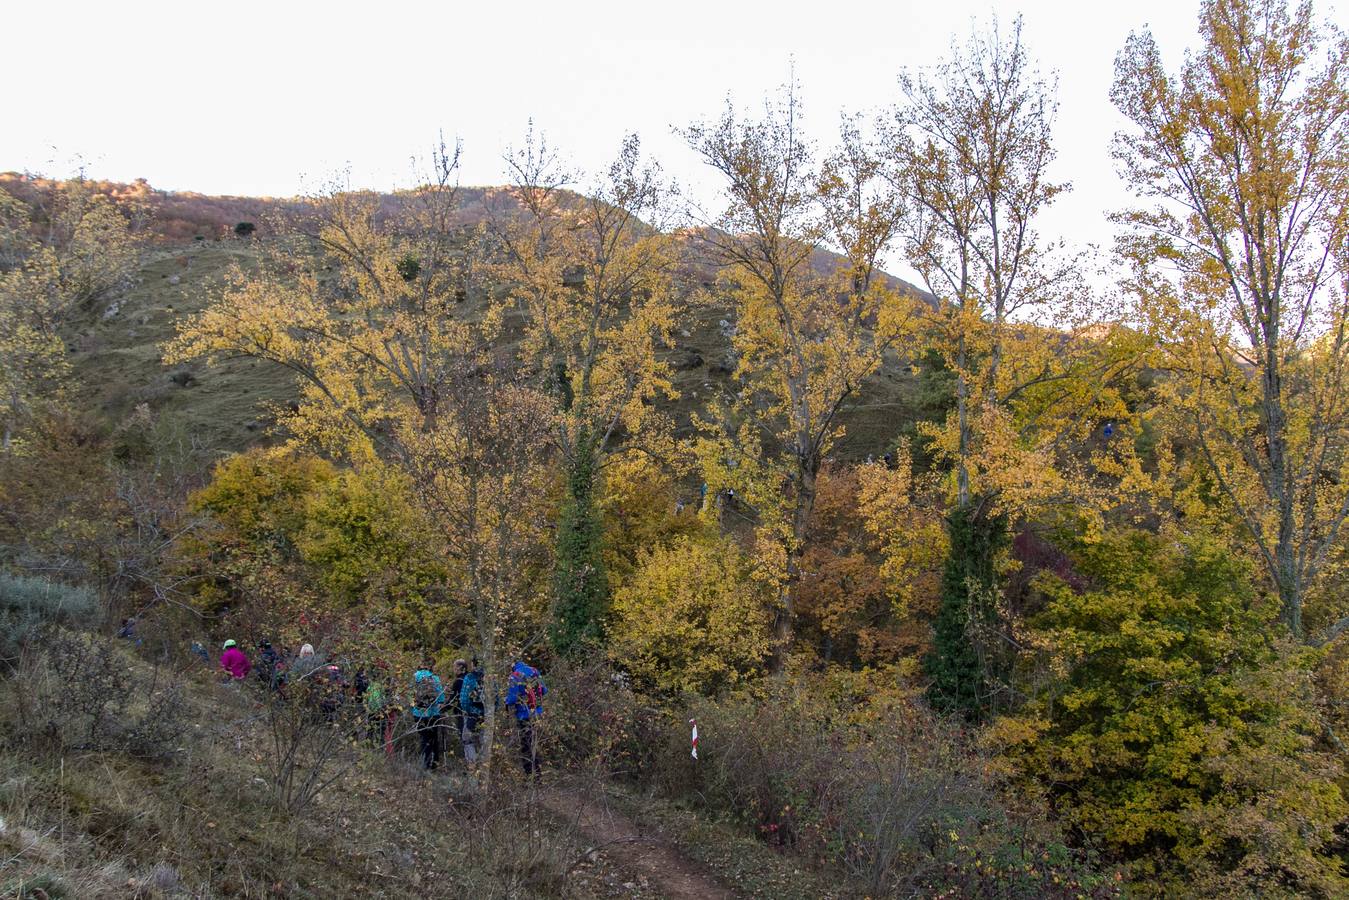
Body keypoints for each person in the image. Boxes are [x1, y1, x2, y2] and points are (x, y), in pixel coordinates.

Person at [505, 660, 547, 777]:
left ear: (512, 666)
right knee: (534, 744)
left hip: (524, 715)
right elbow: (544, 690)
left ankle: (532, 777)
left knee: (526, 746)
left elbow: (512, 699)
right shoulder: (534, 671)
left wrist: (506, 700)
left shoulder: (515, 676)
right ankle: (537, 774)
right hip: (538, 713)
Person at [410, 660, 446, 771]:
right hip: (434, 714)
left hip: (419, 713)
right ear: (429, 668)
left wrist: (414, 708)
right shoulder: (435, 678)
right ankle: (434, 764)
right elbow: (441, 698)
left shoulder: (415, 678)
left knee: (424, 738)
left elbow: (410, 696)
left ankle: (425, 764)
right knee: (434, 738)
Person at [458, 658, 485, 765]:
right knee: (483, 740)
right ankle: (484, 765)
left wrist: (467, 710)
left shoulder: (469, 677)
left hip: (472, 714)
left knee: (467, 738)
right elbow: (495, 698)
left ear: (474, 665)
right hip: (486, 715)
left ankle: (472, 764)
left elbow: (464, 699)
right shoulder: (489, 677)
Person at [448, 659, 468, 759]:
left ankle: (469, 763)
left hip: (461, 713)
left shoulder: (458, 682)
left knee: (465, 738)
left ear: (460, 668)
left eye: (454, 667)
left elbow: (452, 701)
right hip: (476, 713)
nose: (453, 670)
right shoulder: (470, 678)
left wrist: (441, 709)